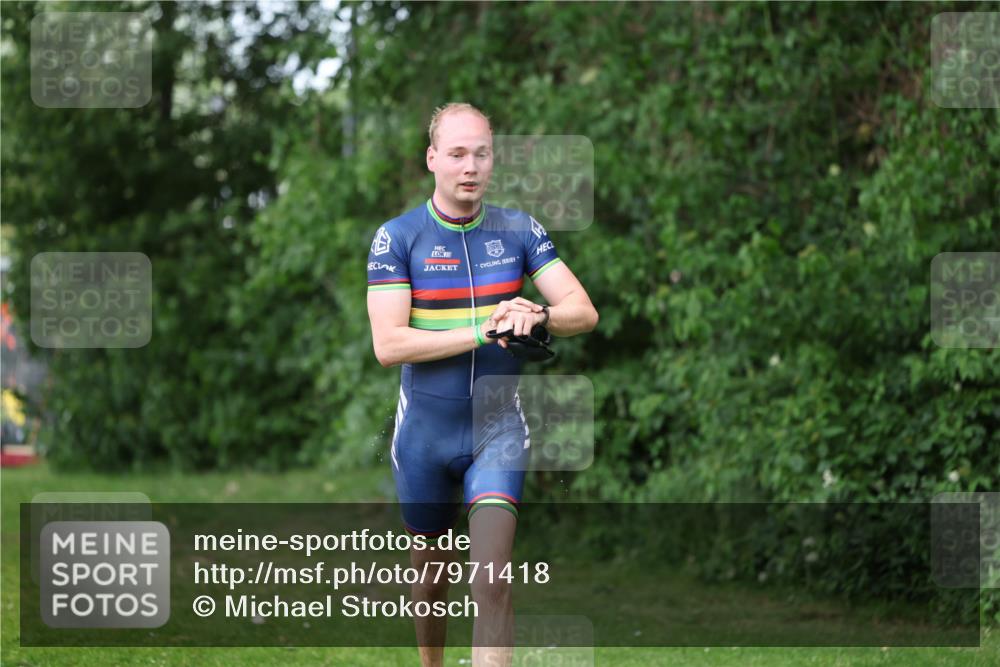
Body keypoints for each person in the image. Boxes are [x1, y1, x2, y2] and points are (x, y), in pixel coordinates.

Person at [366, 102, 598, 667]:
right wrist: (482, 327)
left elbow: (583, 311)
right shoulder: (398, 238)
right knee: (431, 584)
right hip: (423, 436)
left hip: (497, 432)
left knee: (491, 579)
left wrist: (535, 315)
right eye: (457, 154)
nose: (470, 166)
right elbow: (388, 345)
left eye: (482, 153)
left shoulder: (520, 230)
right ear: (432, 160)